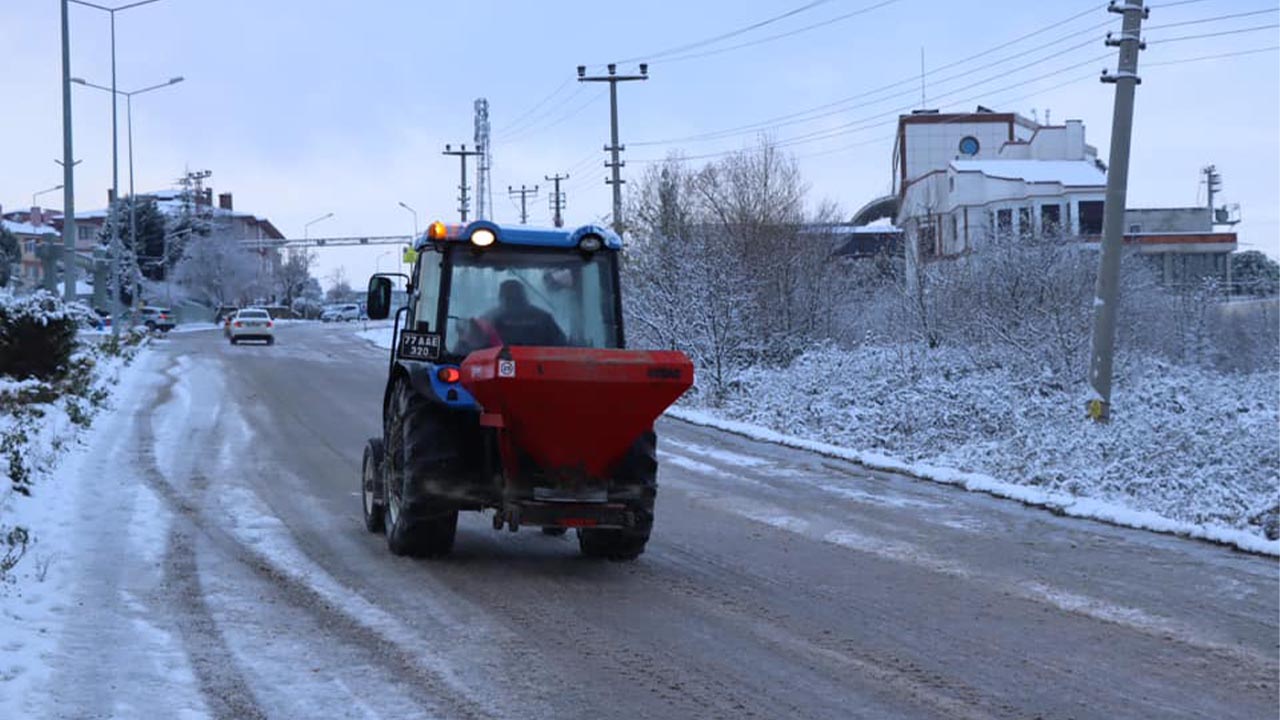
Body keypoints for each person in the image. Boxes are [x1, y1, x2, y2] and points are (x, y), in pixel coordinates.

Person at [481, 279, 566, 347]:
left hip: (538, 365)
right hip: (538, 365)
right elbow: (562, 346)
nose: (514, 302)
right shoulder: (544, 318)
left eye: (515, 297)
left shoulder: (487, 319)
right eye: (510, 298)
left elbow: (562, 347)